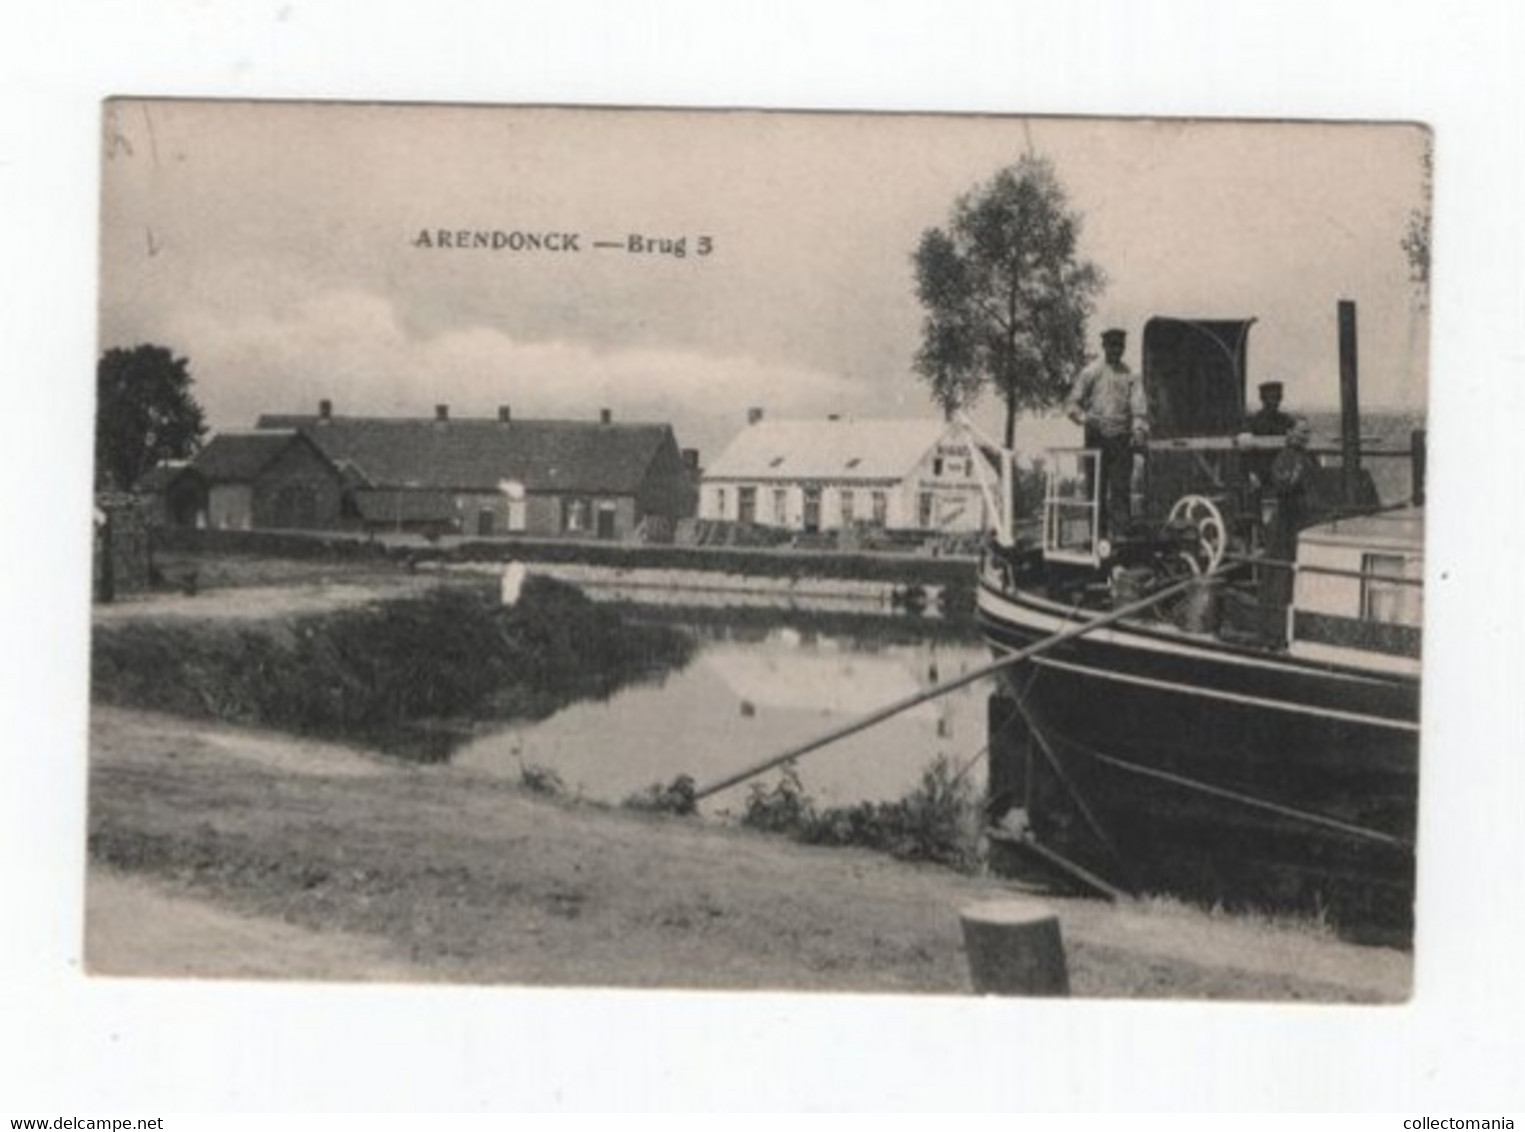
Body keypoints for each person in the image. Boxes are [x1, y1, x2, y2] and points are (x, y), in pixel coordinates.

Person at [1065, 327, 1148, 537]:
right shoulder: (1090, 372)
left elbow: (1139, 406)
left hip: (1121, 438)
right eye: (1112, 346)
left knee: (1121, 489)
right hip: (1096, 437)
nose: (1116, 350)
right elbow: (1072, 405)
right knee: (1096, 490)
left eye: (1119, 346)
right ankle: (1097, 538)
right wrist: (1086, 419)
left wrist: (1138, 428)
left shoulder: (1131, 375)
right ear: (1104, 346)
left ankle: (1121, 538)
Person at [1262, 415, 1321, 615]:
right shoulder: (1284, 457)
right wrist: (1296, 474)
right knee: (1283, 565)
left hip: (1305, 516)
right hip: (1288, 519)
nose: (1306, 436)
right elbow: (1283, 485)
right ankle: (1278, 610)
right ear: (1290, 433)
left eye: (1308, 432)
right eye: (1302, 432)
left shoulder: (1309, 458)